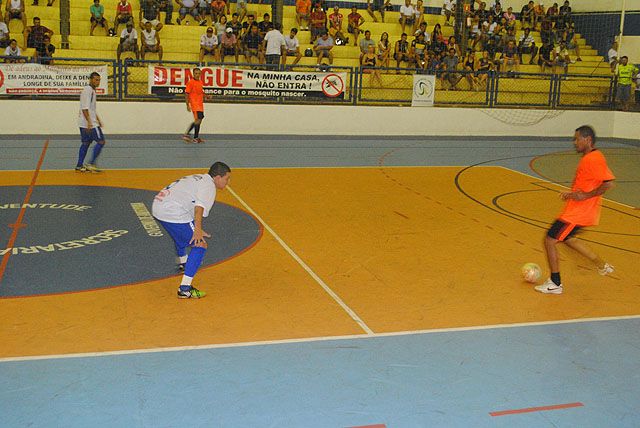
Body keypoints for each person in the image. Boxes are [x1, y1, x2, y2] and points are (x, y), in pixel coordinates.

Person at [535, 126, 615, 295]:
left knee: (549, 240)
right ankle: (602, 265)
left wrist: (585, 196)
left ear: (587, 140)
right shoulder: (590, 157)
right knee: (569, 239)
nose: (575, 142)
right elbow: (587, 184)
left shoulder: (594, 159)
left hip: (579, 213)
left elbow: (608, 183)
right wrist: (571, 194)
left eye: (577, 139)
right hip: (576, 209)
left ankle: (555, 283)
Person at [152, 162, 231, 299]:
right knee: (200, 245)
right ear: (218, 177)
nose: (228, 182)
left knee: (182, 235)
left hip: (158, 206)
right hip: (172, 211)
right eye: (227, 178)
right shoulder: (209, 187)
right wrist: (197, 230)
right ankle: (185, 289)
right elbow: (199, 208)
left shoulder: (198, 178)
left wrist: (195, 228)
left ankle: (183, 262)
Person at [76, 72, 106, 173]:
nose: (98, 82)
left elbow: (91, 108)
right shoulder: (88, 90)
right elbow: (85, 108)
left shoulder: (92, 91)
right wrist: (90, 122)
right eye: (96, 80)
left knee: (86, 143)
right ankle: (91, 163)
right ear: (91, 79)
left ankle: (79, 165)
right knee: (101, 141)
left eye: (99, 80)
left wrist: (98, 119)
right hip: (90, 123)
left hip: (85, 122)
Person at [183, 67, 212, 144]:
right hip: (195, 104)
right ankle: (189, 135)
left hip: (200, 104)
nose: (197, 75)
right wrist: (187, 105)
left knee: (199, 120)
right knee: (198, 120)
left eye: (199, 73)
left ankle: (193, 136)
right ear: (193, 74)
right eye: (196, 73)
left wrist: (206, 96)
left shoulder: (200, 82)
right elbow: (186, 93)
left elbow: (201, 92)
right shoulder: (190, 82)